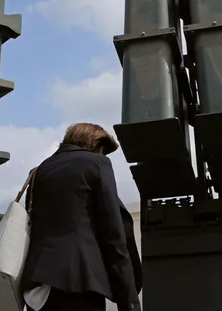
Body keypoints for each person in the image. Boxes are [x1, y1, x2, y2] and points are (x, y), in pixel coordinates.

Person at [20, 122, 141, 311]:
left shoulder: (39, 171)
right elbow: (113, 236)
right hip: (79, 282)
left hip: (38, 290)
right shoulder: (97, 163)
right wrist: (129, 302)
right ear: (96, 144)